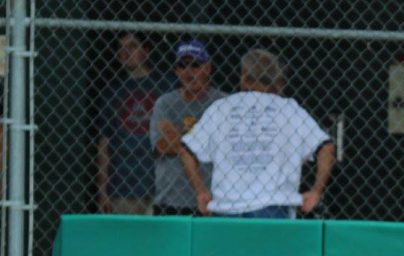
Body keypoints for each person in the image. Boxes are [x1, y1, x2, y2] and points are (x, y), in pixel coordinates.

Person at [179, 49, 335, 218]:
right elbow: (326, 148)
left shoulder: (221, 108)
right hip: (273, 205)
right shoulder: (289, 109)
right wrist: (315, 192)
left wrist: (201, 192)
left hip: (226, 206)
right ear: (278, 78)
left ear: (244, 76)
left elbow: (186, 149)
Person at [97, 32, 174, 215]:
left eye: (132, 46)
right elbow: (104, 145)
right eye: (121, 48)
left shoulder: (166, 88)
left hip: (161, 185)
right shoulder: (112, 93)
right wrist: (102, 190)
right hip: (123, 185)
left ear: (145, 51)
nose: (126, 52)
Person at [149, 39, 224, 216]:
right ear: (176, 71)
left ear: (208, 68)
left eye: (196, 65)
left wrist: (178, 135)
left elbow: (225, 145)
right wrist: (205, 136)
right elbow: (162, 146)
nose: (189, 73)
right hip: (171, 200)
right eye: (182, 66)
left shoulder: (223, 103)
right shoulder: (165, 103)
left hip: (214, 200)